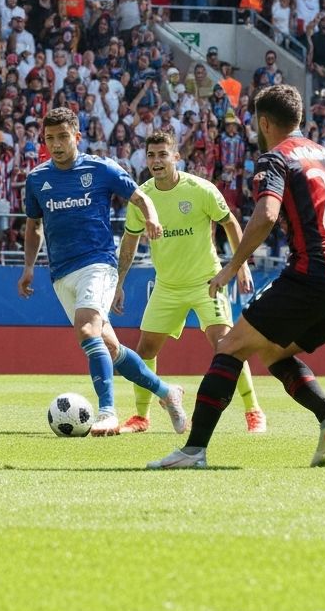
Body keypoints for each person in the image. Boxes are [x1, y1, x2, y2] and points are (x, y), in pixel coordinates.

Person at [149, 85, 325, 470]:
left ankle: (193, 450)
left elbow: (266, 215)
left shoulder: (276, 159)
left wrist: (232, 266)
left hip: (312, 274)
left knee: (230, 345)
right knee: (271, 351)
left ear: (263, 122)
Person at [18, 107, 187, 436]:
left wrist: (151, 217)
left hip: (98, 263)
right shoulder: (37, 179)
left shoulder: (100, 168)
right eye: (49, 138)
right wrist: (27, 267)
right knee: (109, 347)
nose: (56, 144)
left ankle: (108, 411)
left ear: (77, 137)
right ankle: (168, 392)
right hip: (61, 274)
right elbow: (34, 227)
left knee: (86, 330)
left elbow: (139, 196)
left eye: (63, 136)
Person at [113, 130, 267, 434]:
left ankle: (254, 411)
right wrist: (119, 282)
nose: (157, 161)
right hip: (167, 286)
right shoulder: (141, 198)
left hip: (205, 282)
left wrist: (241, 266)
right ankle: (141, 417)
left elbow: (230, 223)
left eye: (163, 154)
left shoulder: (200, 189)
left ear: (176, 157)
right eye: (152, 155)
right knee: (145, 349)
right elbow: (130, 241)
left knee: (227, 346)